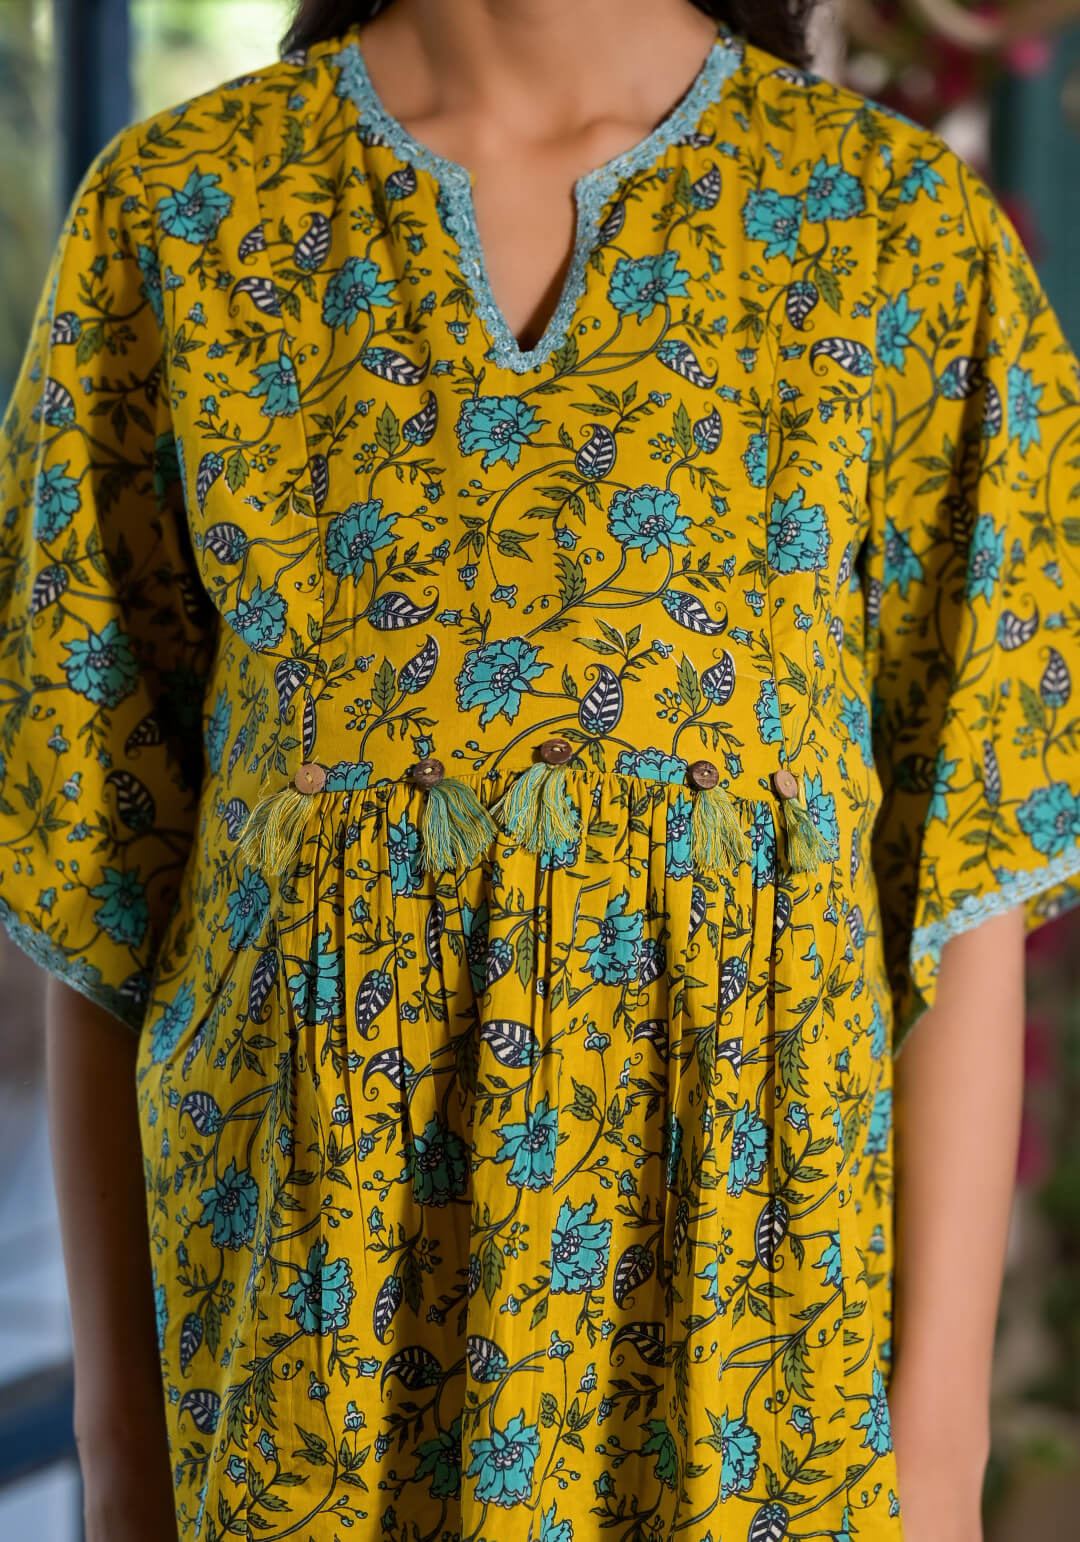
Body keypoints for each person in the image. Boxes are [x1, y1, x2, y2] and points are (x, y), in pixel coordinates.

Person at [1, 0, 1075, 1536]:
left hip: (755, 1404)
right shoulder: (185, 218)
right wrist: (121, 1455)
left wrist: (943, 1460)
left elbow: (964, 880)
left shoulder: (895, 233)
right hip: (306, 1395)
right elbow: (102, 888)